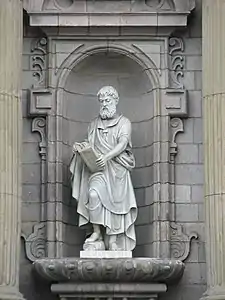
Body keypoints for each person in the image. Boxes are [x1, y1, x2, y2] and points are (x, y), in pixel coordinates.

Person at [70, 86, 137, 251]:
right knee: (93, 194)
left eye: (107, 101)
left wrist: (106, 157)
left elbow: (122, 143)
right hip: (98, 170)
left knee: (116, 204)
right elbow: (91, 145)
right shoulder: (94, 124)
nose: (104, 104)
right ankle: (97, 232)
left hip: (117, 170)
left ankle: (113, 239)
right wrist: (80, 149)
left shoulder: (124, 122)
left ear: (115, 101)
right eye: (101, 102)